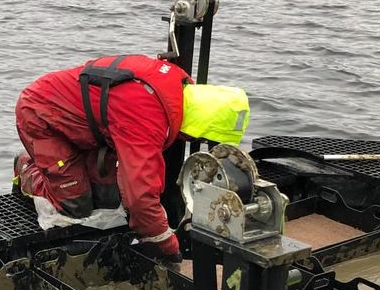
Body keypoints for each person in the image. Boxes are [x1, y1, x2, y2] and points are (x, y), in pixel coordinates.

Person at [13, 54, 250, 263]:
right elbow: (139, 198)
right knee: (76, 205)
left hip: (82, 124)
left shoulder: (180, 87)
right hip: (42, 117)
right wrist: (165, 243)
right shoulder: (145, 116)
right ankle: (27, 169)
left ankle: (67, 166)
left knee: (108, 195)